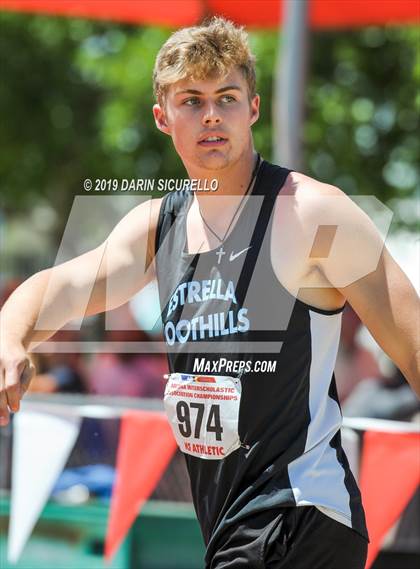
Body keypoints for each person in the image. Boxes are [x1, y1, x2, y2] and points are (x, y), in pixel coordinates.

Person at [1, 17, 419, 569]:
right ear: (162, 117)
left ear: (254, 108)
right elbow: (55, 288)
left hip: (300, 514)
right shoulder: (157, 228)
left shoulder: (312, 212)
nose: (211, 115)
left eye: (226, 96)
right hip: (229, 527)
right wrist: (10, 339)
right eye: (191, 100)